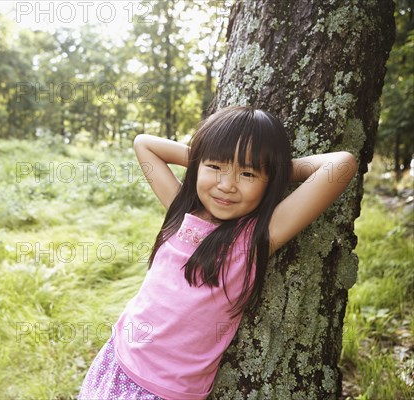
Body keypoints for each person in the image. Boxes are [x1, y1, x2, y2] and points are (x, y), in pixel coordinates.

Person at [78, 106, 357, 400]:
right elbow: (144, 144)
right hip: (118, 356)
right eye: (215, 167)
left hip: (165, 390)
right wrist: (208, 156)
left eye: (247, 173)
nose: (226, 185)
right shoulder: (181, 211)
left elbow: (342, 165)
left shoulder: (254, 241)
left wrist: (274, 171)